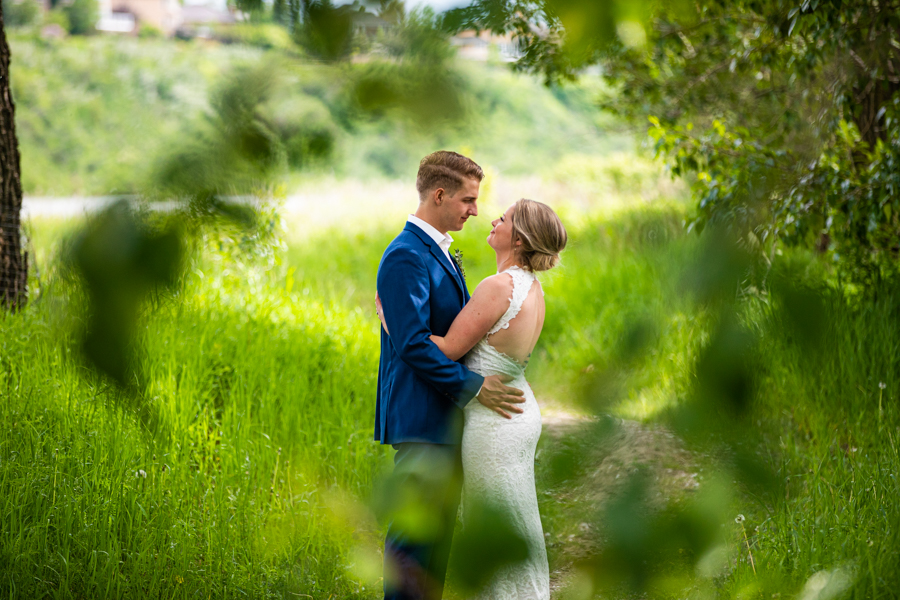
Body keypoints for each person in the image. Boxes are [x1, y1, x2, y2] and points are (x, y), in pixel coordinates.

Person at [378, 196, 568, 600]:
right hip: (516, 413)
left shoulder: (498, 286)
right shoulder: (532, 289)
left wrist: (392, 319)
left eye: (506, 217)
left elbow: (444, 349)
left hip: (494, 420)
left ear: (520, 239)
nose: (492, 218)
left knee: (492, 525)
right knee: (515, 519)